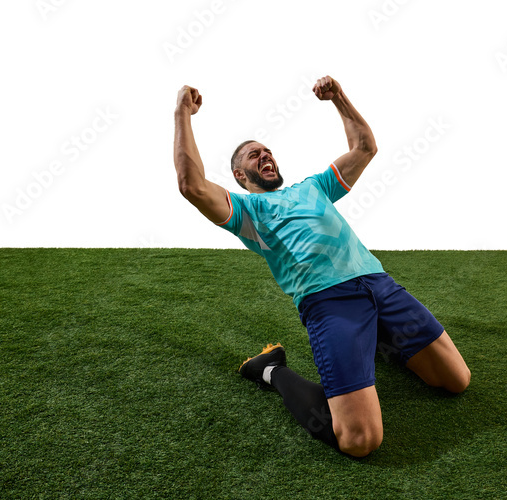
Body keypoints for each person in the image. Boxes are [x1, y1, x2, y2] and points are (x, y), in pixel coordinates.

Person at [173, 75, 470, 457]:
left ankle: (376, 340)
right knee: (360, 440)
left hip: (380, 285)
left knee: (456, 380)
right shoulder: (247, 210)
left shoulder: (313, 187)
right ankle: (271, 370)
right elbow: (192, 185)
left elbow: (365, 147)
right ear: (239, 176)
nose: (264, 155)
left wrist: (339, 97)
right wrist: (182, 113)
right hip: (329, 303)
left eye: (267, 150)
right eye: (253, 154)